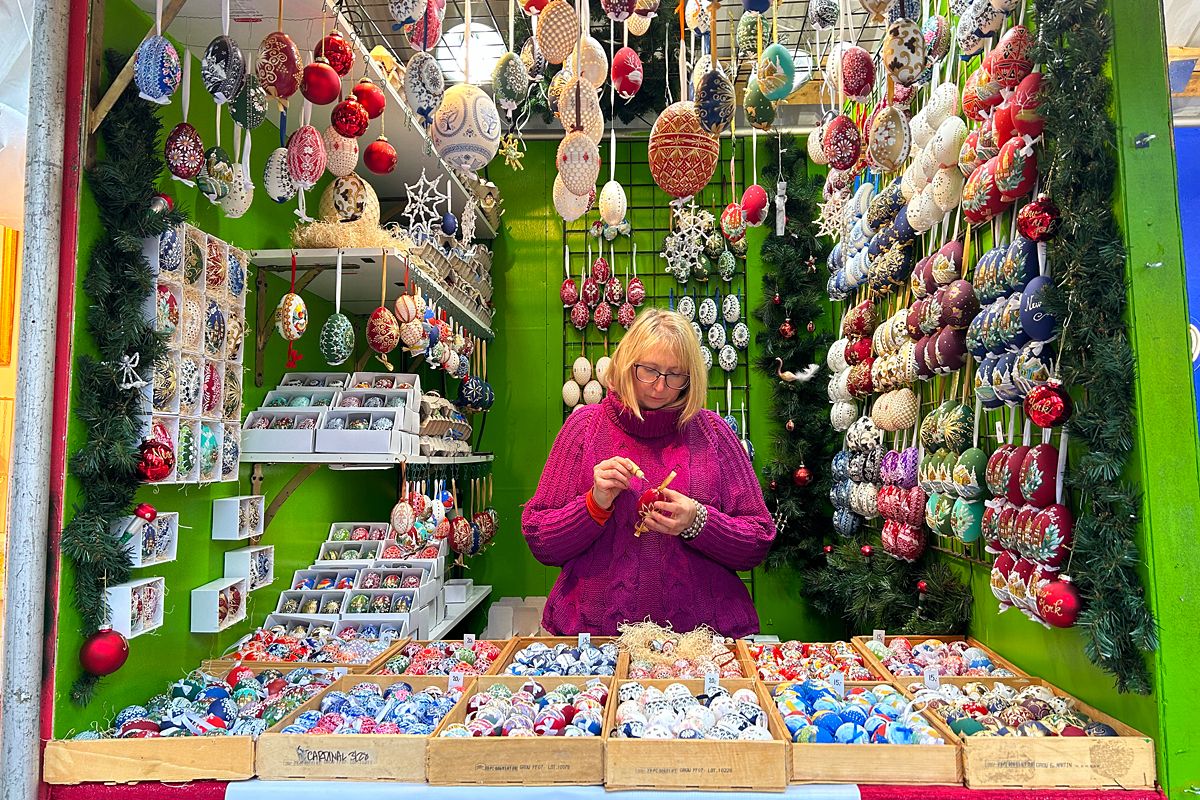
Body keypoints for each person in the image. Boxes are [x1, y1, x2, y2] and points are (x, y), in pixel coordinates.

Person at [521, 308, 776, 637]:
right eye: (650, 371)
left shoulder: (714, 433)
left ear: (691, 377)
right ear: (628, 363)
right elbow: (541, 540)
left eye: (675, 375)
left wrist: (698, 521)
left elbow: (758, 539)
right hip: (595, 642)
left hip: (702, 644)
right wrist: (594, 505)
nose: (660, 386)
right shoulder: (584, 428)